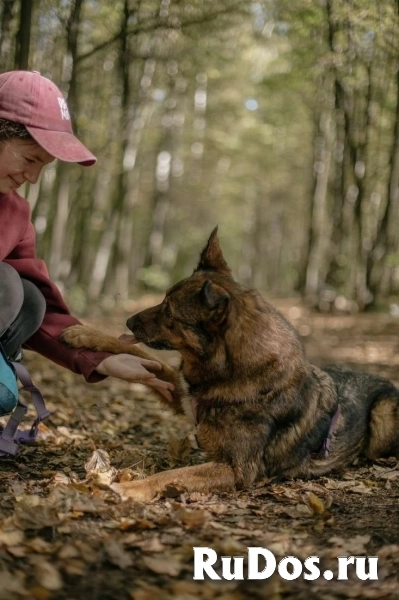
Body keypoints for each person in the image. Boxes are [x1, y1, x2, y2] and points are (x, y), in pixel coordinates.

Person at [0, 70, 174, 403]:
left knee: (29, 298)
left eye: (44, 165)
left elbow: (46, 311)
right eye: (29, 158)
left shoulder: (14, 213)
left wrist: (102, 358)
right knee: (5, 284)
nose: (33, 177)